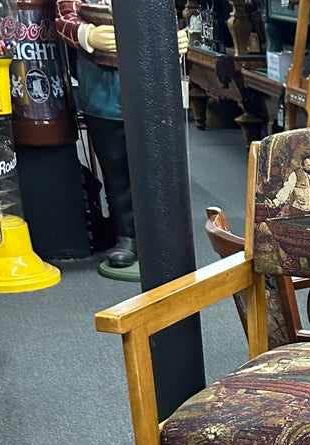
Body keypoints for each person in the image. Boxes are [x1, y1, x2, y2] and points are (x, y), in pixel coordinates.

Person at [56, 2, 188, 268]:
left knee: (159, 164)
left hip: (151, 81)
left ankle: (164, 235)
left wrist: (174, 39)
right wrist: (88, 34)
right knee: (116, 166)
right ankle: (127, 235)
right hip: (103, 85)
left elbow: (163, 12)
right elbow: (63, 15)